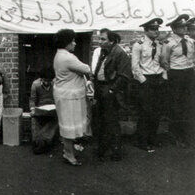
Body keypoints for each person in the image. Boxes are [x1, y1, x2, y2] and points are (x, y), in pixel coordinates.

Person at [53, 29, 91, 166]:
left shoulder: (60, 55)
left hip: (65, 95)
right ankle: (69, 155)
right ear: (67, 43)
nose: (74, 43)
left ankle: (67, 151)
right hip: (68, 96)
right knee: (69, 125)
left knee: (67, 124)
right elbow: (86, 69)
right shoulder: (67, 57)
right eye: (72, 41)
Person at [92, 29, 132, 161]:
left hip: (110, 91)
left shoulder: (120, 53)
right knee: (102, 120)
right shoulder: (105, 52)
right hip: (101, 89)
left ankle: (116, 151)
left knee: (112, 121)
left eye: (103, 39)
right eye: (100, 39)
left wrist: (111, 90)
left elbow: (124, 76)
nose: (100, 41)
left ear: (112, 41)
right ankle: (103, 149)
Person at [131, 18, 167, 152]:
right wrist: (144, 81)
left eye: (157, 29)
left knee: (156, 112)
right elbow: (135, 67)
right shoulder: (138, 45)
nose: (156, 31)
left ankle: (153, 138)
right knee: (145, 112)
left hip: (158, 79)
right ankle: (142, 141)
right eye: (153, 29)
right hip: (145, 81)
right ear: (146, 30)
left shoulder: (159, 45)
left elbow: (163, 63)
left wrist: (163, 76)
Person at [161, 14, 195, 148]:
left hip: (189, 74)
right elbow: (164, 61)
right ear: (174, 28)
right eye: (182, 27)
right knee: (176, 105)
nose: (185, 28)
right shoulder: (169, 43)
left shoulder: (190, 41)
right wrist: (173, 73)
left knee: (189, 104)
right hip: (176, 75)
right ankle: (176, 135)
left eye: (186, 26)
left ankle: (188, 136)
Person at [29, 67, 58, 154]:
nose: (46, 82)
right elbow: (32, 99)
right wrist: (32, 109)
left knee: (57, 118)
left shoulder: (56, 83)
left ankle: (42, 141)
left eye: (48, 81)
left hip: (53, 107)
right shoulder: (35, 84)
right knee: (34, 118)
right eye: (44, 80)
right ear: (41, 78)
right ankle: (37, 142)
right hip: (41, 108)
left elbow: (58, 97)